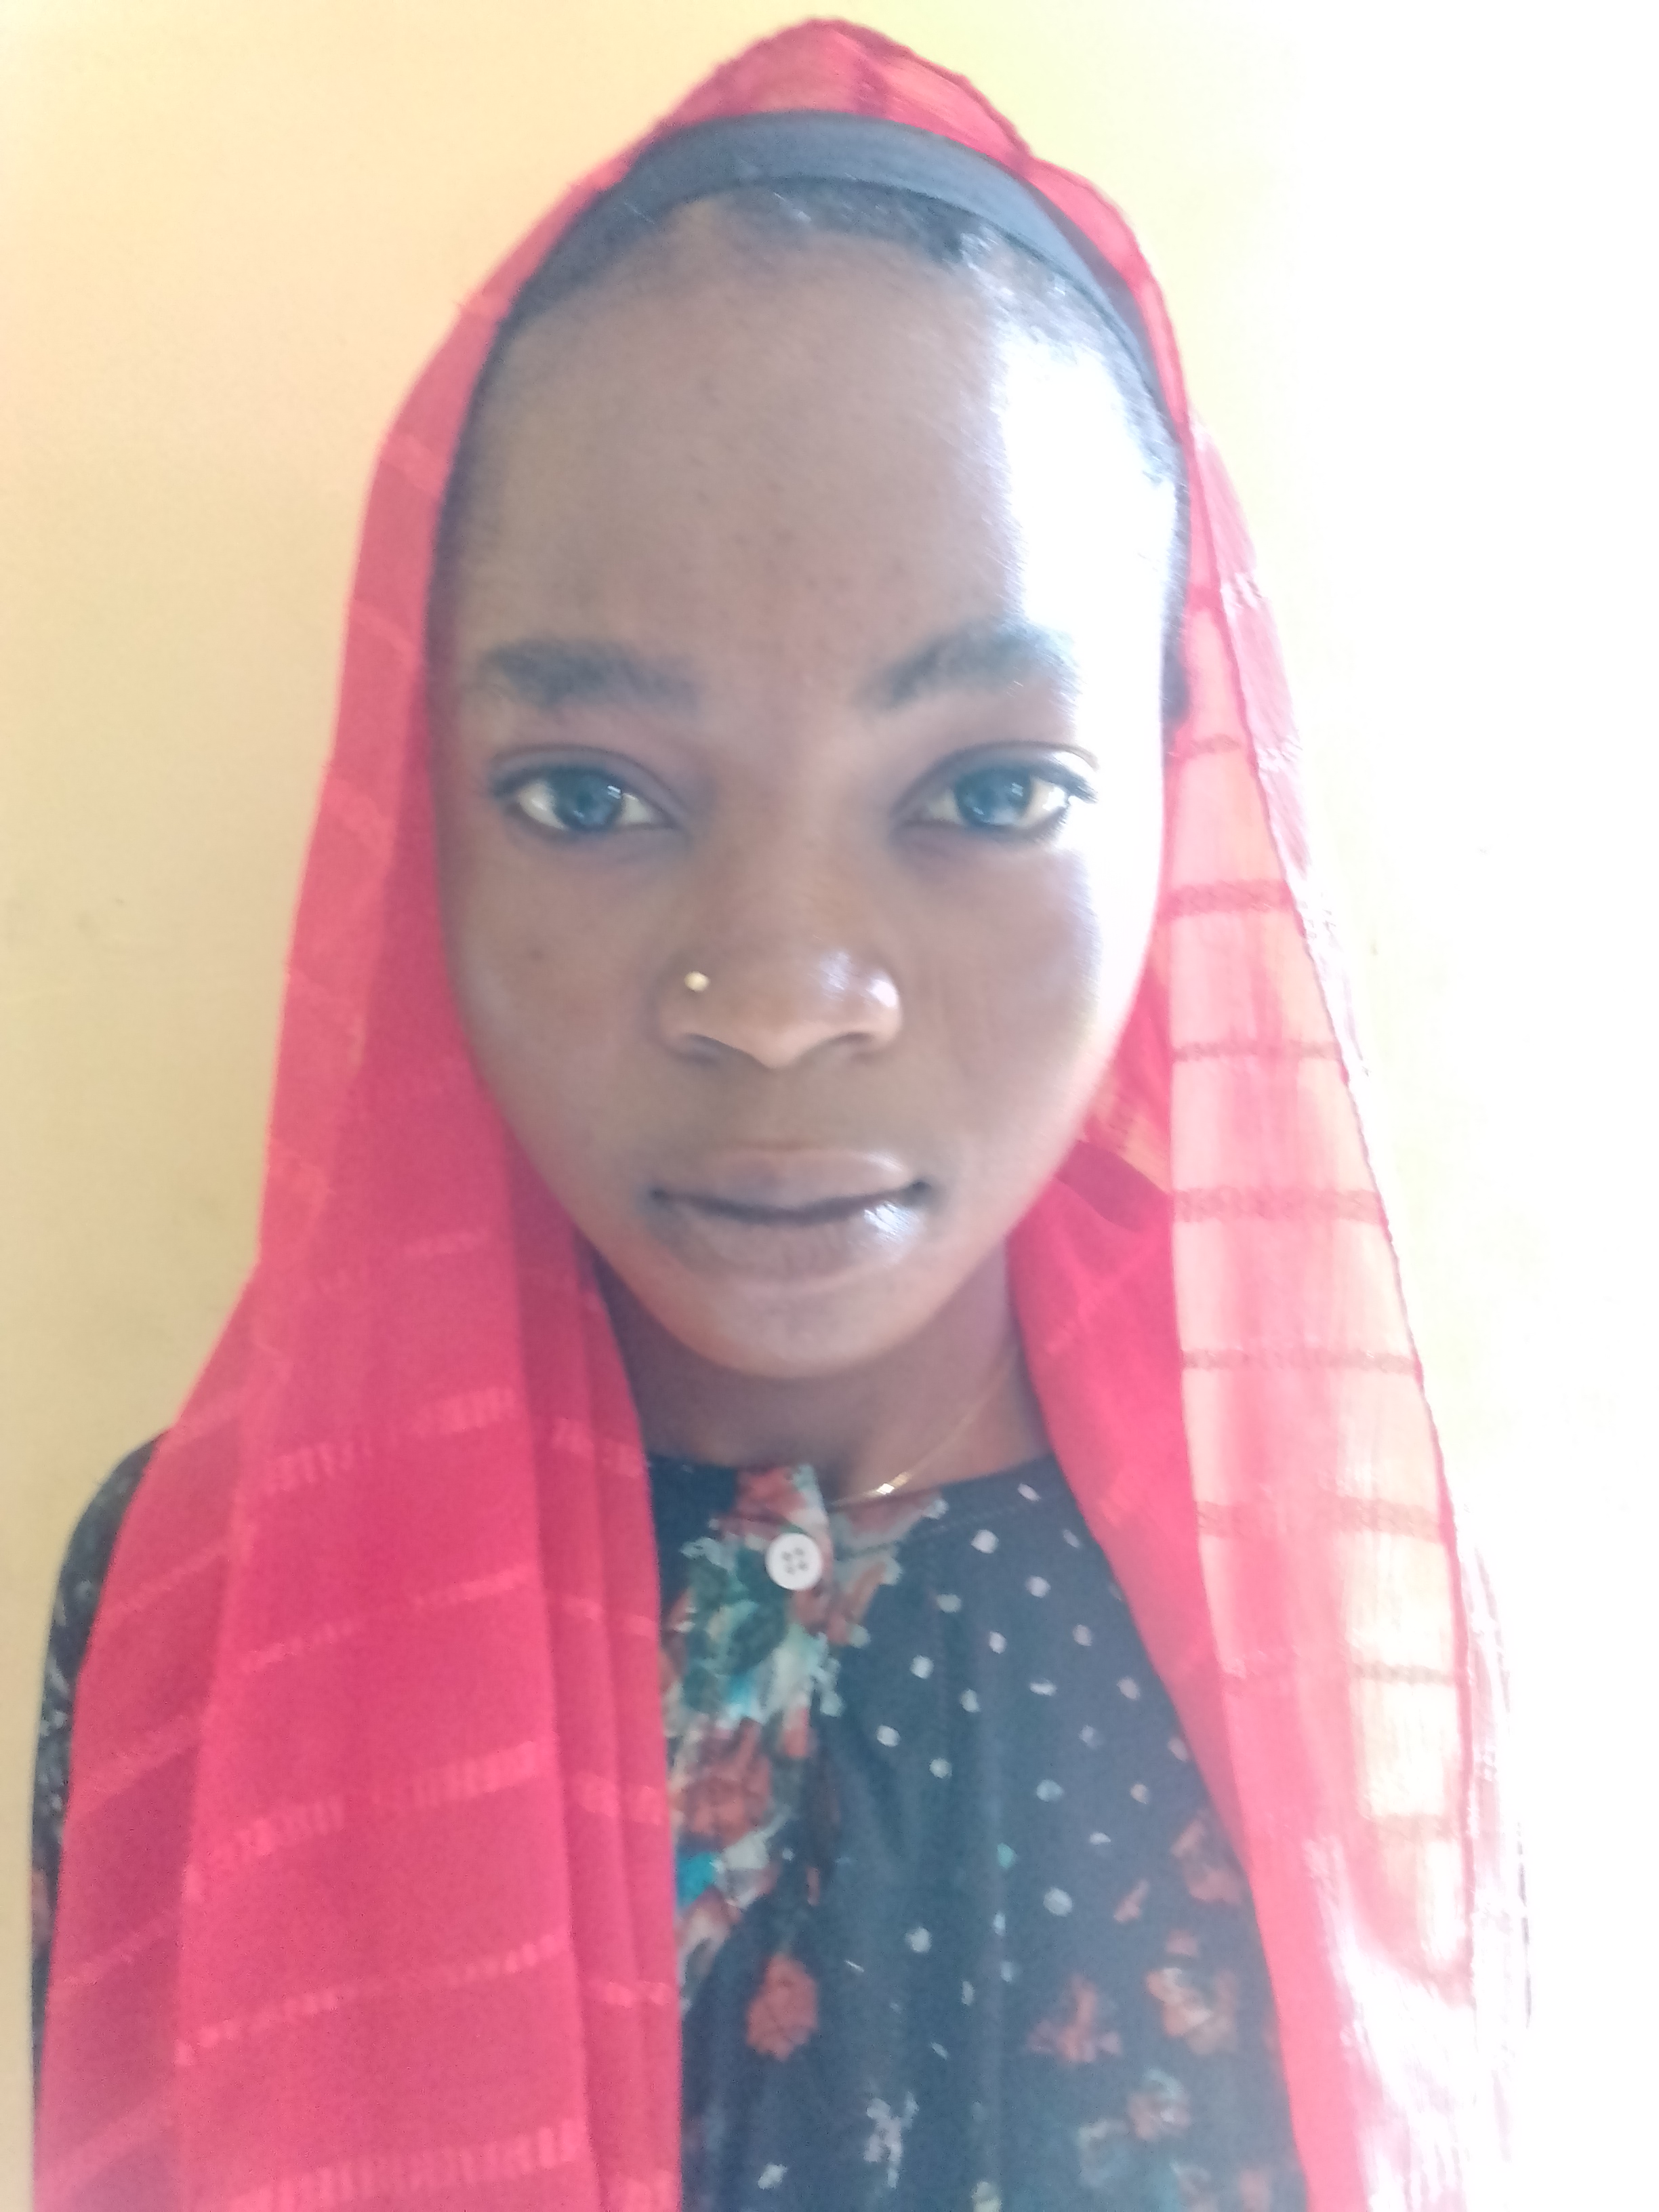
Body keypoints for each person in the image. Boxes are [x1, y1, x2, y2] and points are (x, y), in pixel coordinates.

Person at [30, 20, 1521, 2211]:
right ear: (424, 810)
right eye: (590, 796)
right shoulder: (227, 1603)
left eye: (987, 793)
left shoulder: (1319, 1587)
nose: (781, 998)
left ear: (1173, 795)